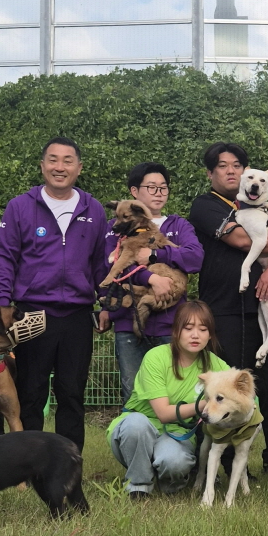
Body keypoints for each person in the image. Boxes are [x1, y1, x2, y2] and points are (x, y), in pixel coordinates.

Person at [187, 142, 268, 472]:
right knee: (224, 393)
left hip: (264, 314)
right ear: (210, 173)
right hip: (223, 312)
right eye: (222, 166)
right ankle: (219, 465)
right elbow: (240, 240)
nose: (231, 170)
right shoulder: (205, 206)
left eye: (237, 165)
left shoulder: (261, 207)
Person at [0, 137, 106, 452]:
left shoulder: (93, 208)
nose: (60, 167)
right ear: (42, 166)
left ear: (79, 168)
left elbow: (101, 262)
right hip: (32, 313)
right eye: (53, 160)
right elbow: (4, 257)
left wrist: (107, 301)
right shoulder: (20, 206)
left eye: (68, 160)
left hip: (78, 316)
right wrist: (2, 301)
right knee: (30, 392)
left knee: (72, 393)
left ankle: (68, 462)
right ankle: (27, 462)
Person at [100, 162, 204, 403]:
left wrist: (156, 256)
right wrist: (151, 278)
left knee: (175, 394)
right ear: (134, 192)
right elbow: (109, 266)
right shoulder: (116, 228)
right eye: (151, 187)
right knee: (134, 393)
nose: (159, 193)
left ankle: (174, 441)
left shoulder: (178, 225)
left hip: (172, 325)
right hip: (128, 324)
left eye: (163, 188)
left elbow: (195, 258)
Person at [107, 301, 228, 499]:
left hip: (177, 432)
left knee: (174, 462)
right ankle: (139, 486)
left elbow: (241, 394)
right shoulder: (155, 357)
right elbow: (163, 413)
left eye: (203, 329)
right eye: (188, 328)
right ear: (176, 331)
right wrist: (208, 404)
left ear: (210, 334)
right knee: (136, 424)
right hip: (138, 428)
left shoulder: (216, 364)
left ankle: (171, 482)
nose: (195, 335)